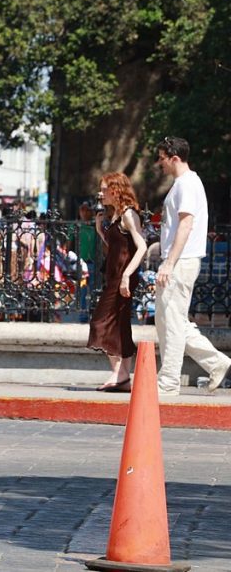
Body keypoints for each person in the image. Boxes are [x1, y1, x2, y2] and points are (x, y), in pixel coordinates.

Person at [154, 137, 231, 395]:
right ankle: (217, 363)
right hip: (181, 260)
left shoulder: (186, 184)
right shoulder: (185, 183)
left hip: (180, 262)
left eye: (162, 158)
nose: (159, 164)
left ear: (174, 158)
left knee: (171, 323)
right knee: (172, 322)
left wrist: (169, 261)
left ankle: (168, 382)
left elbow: (186, 225)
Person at [85, 173, 148, 392]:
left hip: (123, 277)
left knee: (100, 323)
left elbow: (141, 247)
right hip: (114, 276)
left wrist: (126, 275)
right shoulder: (115, 215)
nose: (100, 194)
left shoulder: (129, 214)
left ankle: (120, 374)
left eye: (104, 190)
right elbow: (117, 246)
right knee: (118, 324)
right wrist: (99, 229)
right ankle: (121, 376)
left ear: (116, 190)